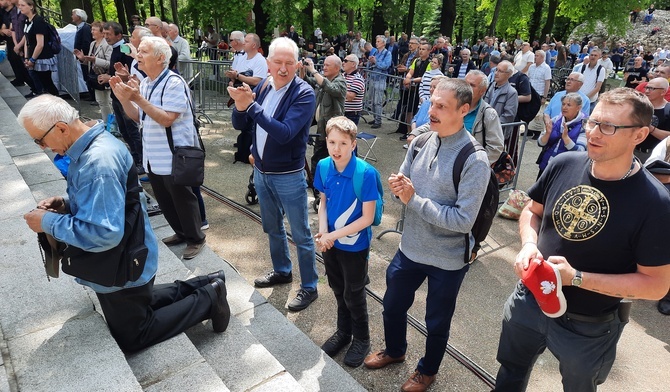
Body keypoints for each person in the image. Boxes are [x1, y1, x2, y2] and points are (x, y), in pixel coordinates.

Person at [20, 94, 230, 353]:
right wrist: (66, 203)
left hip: (123, 261)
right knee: (142, 299)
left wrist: (48, 222)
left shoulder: (97, 162)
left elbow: (104, 233)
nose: (42, 146)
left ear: (61, 127)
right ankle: (205, 282)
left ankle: (210, 297)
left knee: (134, 336)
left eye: (40, 139)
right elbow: (108, 197)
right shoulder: (98, 141)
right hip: (131, 252)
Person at [493, 87, 670, 392]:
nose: (594, 133)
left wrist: (575, 278)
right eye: (593, 122)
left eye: (609, 126)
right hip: (529, 299)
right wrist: (529, 245)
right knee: (510, 371)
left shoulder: (656, 203)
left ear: (639, 135)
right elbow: (531, 212)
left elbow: (656, 285)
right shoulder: (564, 163)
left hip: (589, 324)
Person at [364, 78, 491, 392]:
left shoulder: (474, 159)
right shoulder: (421, 141)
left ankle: (427, 371)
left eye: (441, 106)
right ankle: (395, 351)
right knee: (392, 305)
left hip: (447, 259)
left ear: (464, 110)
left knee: (437, 322)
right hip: (410, 248)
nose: (431, 110)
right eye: (432, 102)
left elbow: (463, 220)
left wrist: (413, 200)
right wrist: (398, 190)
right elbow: (402, 185)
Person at [228, 37, 319, 312]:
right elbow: (240, 123)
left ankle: (310, 286)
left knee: (301, 233)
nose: (283, 68)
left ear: (298, 65)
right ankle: (282, 271)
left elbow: (285, 133)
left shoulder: (304, 93)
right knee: (272, 227)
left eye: (289, 63)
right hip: (262, 172)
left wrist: (251, 106)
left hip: (289, 175)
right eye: (277, 62)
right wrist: (241, 105)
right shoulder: (265, 85)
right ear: (268, 63)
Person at [110, 36, 206, 260]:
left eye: (143, 52)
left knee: (183, 200)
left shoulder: (173, 82)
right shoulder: (146, 82)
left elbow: (167, 119)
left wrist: (138, 98)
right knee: (165, 200)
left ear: (160, 58)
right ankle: (181, 233)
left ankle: (196, 238)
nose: (137, 56)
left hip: (174, 155)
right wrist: (124, 99)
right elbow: (138, 117)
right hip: (154, 155)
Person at [314, 116, 379, 368]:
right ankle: (344, 332)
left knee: (355, 293)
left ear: (354, 144)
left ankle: (362, 338)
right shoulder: (323, 166)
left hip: (354, 246)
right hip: (331, 243)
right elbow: (323, 201)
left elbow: (368, 218)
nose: (336, 149)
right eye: (331, 142)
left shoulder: (365, 173)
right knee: (338, 289)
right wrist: (323, 232)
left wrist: (332, 235)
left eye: (343, 143)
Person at [98, 21, 143, 175]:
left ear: (118, 34)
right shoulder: (114, 48)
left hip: (126, 95)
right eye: (104, 34)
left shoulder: (125, 50)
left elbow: (132, 74)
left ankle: (142, 160)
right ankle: (135, 157)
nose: (106, 37)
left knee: (132, 130)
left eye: (108, 34)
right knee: (123, 130)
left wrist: (109, 76)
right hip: (117, 95)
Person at [303, 55, 346, 182]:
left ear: (337, 68)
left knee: (321, 158)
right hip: (322, 126)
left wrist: (313, 70)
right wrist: (303, 69)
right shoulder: (324, 79)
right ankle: (316, 181)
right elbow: (307, 80)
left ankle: (317, 183)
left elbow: (330, 88)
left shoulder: (341, 82)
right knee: (319, 157)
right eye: (324, 64)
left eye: (327, 65)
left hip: (332, 129)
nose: (324, 67)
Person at [536, 93, 587, 178]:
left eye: (569, 105)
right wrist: (547, 134)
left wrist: (566, 139)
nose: (564, 107)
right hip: (547, 165)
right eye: (563, 104)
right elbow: (540, 143)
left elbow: (580, 152)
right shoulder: (556, 119)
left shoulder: (583, 126)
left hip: (565, 171)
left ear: (578, 108)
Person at [16, 0, 58, 96]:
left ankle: (58, 104)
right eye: (19, 5)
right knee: (39, 83)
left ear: (31, 6)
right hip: (32, 57)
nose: (20, 7)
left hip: (42, 57)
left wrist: (32, 59)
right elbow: (27, 40)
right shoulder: (27, 21)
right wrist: (27, 57)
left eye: (23, 5)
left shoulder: (38, 21)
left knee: (47, 83)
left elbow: (40, 44)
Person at [73, 21, 112, 122]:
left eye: (94, 30)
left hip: (106, 78)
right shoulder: (92, 44)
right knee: (101, 102)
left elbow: (110, 63)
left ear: (102, 32)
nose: (91, 32)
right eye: (92, 29)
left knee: (109, 102)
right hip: (96, 78)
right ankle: (106, 123)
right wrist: (82, 58)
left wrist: (95, 60)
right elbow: (90, 63)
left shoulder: (107, 45)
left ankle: (114, 125)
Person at [463, 70, 505, 163]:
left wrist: (477, 166)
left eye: (472, 85)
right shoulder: (452, 106)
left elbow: (495, 148)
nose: (466, 88)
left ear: (482, 91)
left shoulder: (489, 114)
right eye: (465, 83)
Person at [636, 77, 670, 161]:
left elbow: (668, 137)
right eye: (646, 87)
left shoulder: (668, 110)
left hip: (653, 156)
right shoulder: (640, 106)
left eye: (652, 88)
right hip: (632, 150)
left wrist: (650, 128)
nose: (647, 91)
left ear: (663, 92)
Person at [367, 35, 392, 129]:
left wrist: (375, 62)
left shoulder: (387, 54)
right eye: (376, 41)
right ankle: (375, 117)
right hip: (373, 78)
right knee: (372, 100)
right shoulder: (375, 52)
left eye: (378, 41)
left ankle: (378, 120)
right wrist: (370, 62)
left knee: (378, 101)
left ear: (383, 43)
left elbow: (386, 66)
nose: (376, 43)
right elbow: (369, 66)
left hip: (380, 79)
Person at [72, 8, 93, 100]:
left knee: (88, 74)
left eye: (73, 14)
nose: (72, 16)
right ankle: (91, 94)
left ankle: (93, 95)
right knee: (86, 75)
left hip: (85, 56)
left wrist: (84, 56)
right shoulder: (80, 27)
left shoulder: (85, 28)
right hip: (81, 56)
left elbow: (86, 42)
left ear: (79, 17)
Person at [343, 54, 365, 125]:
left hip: (351, 114)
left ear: (353, 64)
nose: (343, 63)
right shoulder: (342, 75)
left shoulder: (358, 79)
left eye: (345, 61)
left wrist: (339, 88)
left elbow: (350, 97)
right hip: (341, 111)